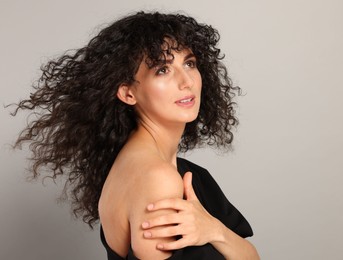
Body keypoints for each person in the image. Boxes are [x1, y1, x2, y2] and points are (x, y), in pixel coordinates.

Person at [13, 11, 260, 259]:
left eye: (189, 63)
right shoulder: (157, 180)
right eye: (162, 69)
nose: (186, 81)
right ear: (127, 93)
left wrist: (215, 230)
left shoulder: (173, 170)